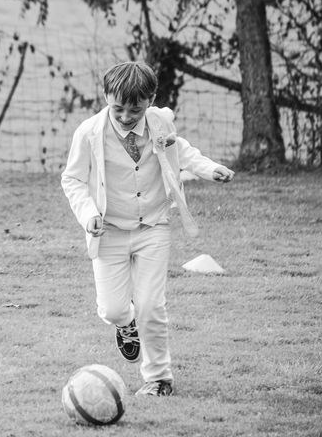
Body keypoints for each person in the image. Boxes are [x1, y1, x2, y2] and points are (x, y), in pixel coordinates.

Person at [61, 61, 234, 397]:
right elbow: (73, 179)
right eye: (118, 108)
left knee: (152, 305)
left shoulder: (159, 122)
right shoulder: (88, 133)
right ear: (106, 97)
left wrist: (209, 169)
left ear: (150, 99)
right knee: (112, 308)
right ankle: (126, 325)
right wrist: (88, 214)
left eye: (135, 109)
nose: (126, 116)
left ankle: (158, 378)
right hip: (108, 230)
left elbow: (181, 150)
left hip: (153, 226)